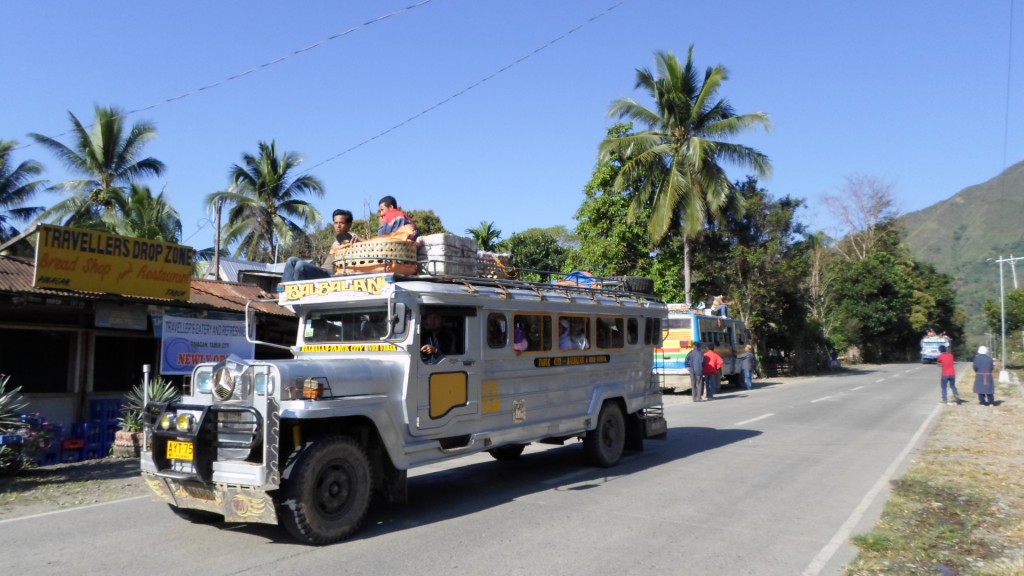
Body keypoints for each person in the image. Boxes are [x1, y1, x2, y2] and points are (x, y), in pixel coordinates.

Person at [282, 209, 364, 281]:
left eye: (341, 223)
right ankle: (281, 291)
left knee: (300, 266)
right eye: (335, 223)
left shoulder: (351, 237)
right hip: (322, 270)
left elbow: (368, 244)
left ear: (349, 225)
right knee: (291, 260)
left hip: (331, 274)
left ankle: (294, 292)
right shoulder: (336, 240)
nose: (338, 226)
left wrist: (359, 240)